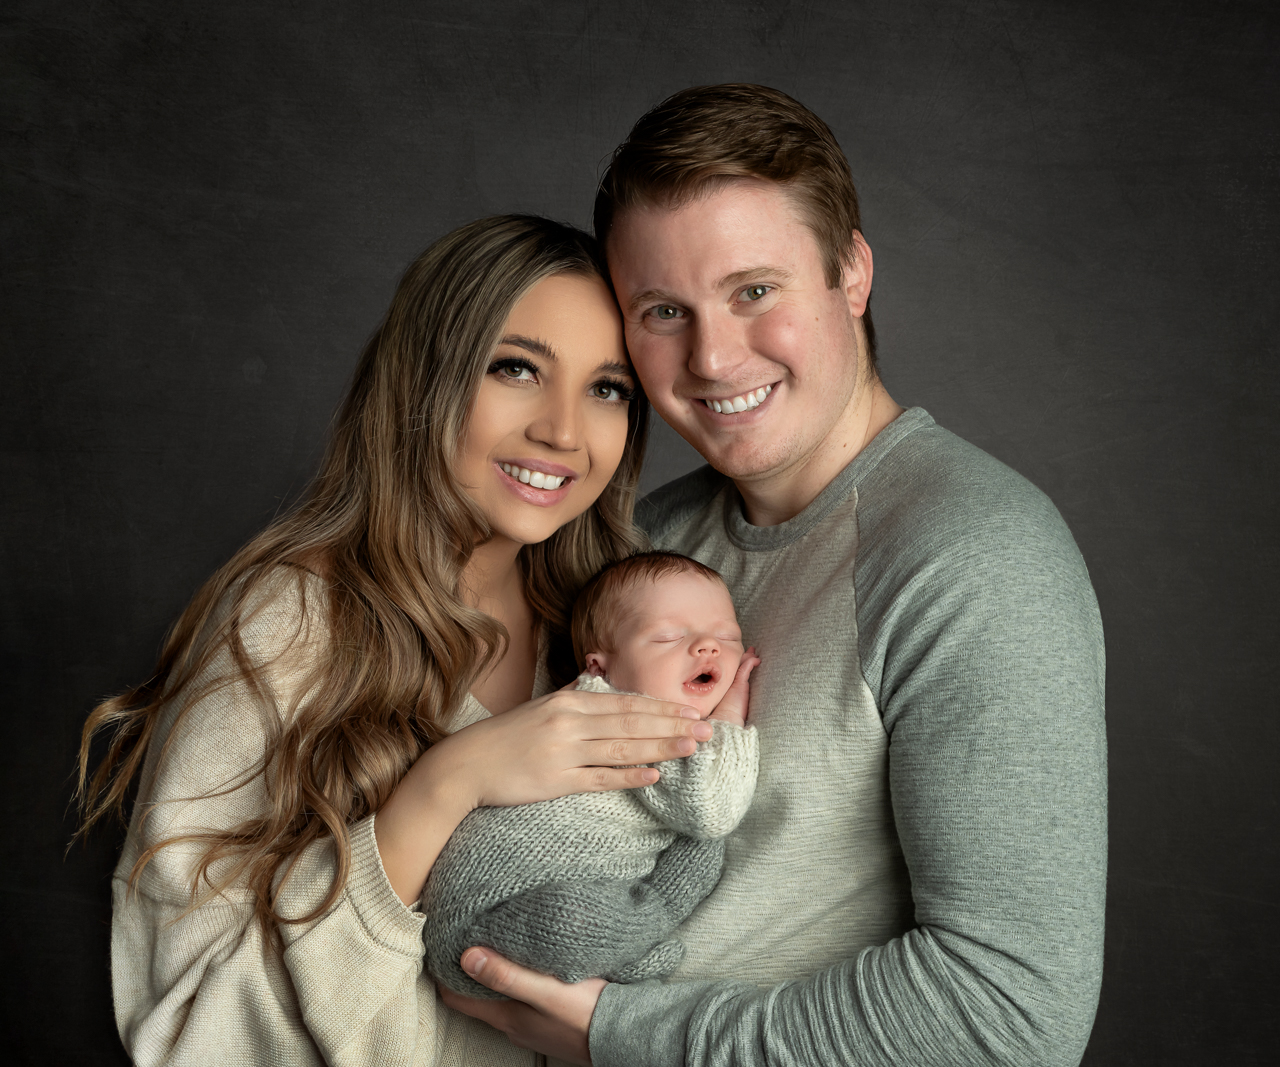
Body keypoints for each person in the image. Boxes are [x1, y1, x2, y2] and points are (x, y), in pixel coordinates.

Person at [442, 85, 1108, 1067]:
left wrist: (619, 1035)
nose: (711, 356)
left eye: (753, 290)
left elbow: (1007, 1010)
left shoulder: (974, 557)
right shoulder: (641, 537)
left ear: (850, 272)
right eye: (663, 310)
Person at [75, 214, 717, 1067]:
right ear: (427, 380)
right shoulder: (286, 620)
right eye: (516, 368)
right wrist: (444, 786)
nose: (564, 431)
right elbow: (189, 1034)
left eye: (607, 388)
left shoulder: (609, 624)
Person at [422, 551, 760, 999]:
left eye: (726, 635)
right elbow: (714, 808)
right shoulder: (627, 720)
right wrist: (728, 719)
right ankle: (649, 923)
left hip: (504, 910)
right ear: (600, 669)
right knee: (584, 918)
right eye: (668, 636)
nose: (707, 647)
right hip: (492, 913)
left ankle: (621, 942)